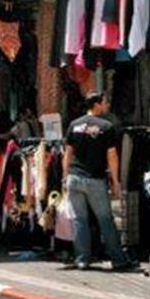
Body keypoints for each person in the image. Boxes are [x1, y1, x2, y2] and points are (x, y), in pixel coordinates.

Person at [62, 92, 132, 271]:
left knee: (79, 220)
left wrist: (65, 176)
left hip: (74, 178)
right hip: (94, 179)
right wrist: (116, 181)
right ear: (97, 104)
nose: (107, 105)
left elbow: (68, 153)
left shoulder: (74, 125)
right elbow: (112, 156)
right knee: (105, 220)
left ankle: (82, 259)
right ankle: (118, 259)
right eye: (105, 102)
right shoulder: (106, 126)